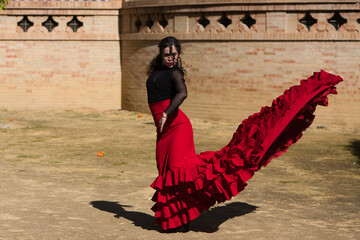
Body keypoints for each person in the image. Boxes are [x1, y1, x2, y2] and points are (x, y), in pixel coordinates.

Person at [146, 36, 342, 233]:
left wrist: (166, 113)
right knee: (168, 173)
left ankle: (180, 220)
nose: (170, 57)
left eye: (174, 54)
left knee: (181, 172)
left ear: (178, 54)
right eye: (166, 54)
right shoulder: (157, 72)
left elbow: (182, 93)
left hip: (177, 127)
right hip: (163, 131)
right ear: (160, 53)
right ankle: (178, 218)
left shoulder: (175, 73)